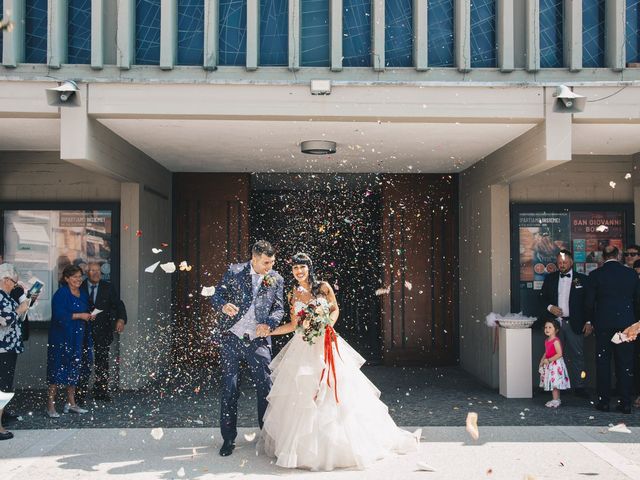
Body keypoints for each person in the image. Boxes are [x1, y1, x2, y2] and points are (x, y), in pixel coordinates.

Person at [259, 253, 419, 471]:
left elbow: (334, 309)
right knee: (303, 392)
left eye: (302, 267)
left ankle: (340, 446)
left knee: (334, 389)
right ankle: (302, 449)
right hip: (302, 347)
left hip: (325, 342)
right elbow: (295, 324)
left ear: (309, 268)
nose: (298, 271)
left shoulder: (323, 287)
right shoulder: (292, 293)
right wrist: (271, 331)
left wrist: (327, 325)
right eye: (295, 268)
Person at [210, 240, 285, 457]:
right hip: (231, 338)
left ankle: (267, 439)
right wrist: (223, 305)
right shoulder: (234, 271)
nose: (269, 267)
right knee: (229, 388)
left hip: (258, 340)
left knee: (266, 389)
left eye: (272, 262)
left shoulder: (276, 278)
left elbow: (279, 308)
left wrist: (269, 324)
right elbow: (217, 295)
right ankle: (228, 439)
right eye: (265, 262)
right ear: (254, 258)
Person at [586, 245, 640, 414]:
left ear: (603, 257)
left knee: (603, 362)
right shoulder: (631, 274)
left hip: (603, 324)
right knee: (625, 363)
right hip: (625, 324)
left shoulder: (596, 275)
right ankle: (625, 403)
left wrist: (592, 320)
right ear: (618, 255)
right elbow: (638, 299)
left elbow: (589, 302)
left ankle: (603, 401)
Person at [539, 250, 591, 398]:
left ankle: (580, 387)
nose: (562, 265)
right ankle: (550, 385)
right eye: (559, 262)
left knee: (578, 356)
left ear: (571, 263)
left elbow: (588, 303)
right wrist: (550, 308)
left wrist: (588, 321)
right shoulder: (551, 278)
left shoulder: (582, 279)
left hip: (575, 322)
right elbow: (541, 299)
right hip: (555, 324)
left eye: (565, 262)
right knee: (551, 354)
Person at [46, 265, 95, 417]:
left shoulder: (83, 293)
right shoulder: (61, 293)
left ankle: (71, 403)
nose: (78, 280)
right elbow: (59, 316)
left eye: (80, 276)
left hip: (78, 337)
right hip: (61, 337)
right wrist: (81, 316)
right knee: (56, 370)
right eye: (74, 277)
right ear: (66, 278)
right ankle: (50, 406)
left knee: (74, 369)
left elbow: (86, 311)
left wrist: (89, 315)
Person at [77, 262, 127, 403]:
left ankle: (101, 391)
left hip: (103, 330)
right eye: (92, 270)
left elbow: (118, 305)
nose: (96, 273)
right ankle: (79, 393)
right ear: (87, 272)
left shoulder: (108, 287)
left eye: (98, 270)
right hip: (83, 330)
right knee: (83, 361)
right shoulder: (79, 287)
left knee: (102, 362)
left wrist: (121, 320)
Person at [0, 263, 29, 440]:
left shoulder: (6, 296)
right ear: (4, 279)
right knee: (2, 387)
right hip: (2, 348)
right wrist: (19, 309)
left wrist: (25, 303)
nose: (15, 285)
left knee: (5, 385)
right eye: (13, 281)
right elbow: (3, 320)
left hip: (9, 347)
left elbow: (18, 316)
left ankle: (2, 418)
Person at [539, 319, 571, 408]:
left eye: (550, 327)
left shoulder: (556, 341)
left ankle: (556, 400)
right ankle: (555, 398)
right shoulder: (547, 340)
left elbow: (559, 354)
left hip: (555, 364)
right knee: (553, 382)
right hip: (549, 363)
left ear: (556, 330)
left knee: (555, 383)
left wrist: (549, 360)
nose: (547, 329)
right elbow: (546, 352)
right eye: (546, 327)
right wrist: (542, 360)